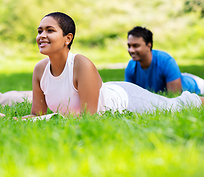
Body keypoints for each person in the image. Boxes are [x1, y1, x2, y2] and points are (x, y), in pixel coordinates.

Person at [24, 12, 203, 118]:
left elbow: (89, 118)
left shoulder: (80, 64)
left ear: (67, 38)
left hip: (126, 99)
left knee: (178, 105)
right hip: (110, 89)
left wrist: (50, 119)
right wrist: (9, 119)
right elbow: (37, 116)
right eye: (39, 31)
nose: (42, 35)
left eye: (50, 30)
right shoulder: (40, 70)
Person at [125, 26, 204, 94]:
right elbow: (130, 95)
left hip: (197, 85)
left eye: (136, 46)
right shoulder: (131, 66)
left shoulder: (166, 61)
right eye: (129, 46)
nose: (131, 50)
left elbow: (174, 96)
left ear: (149, 45)